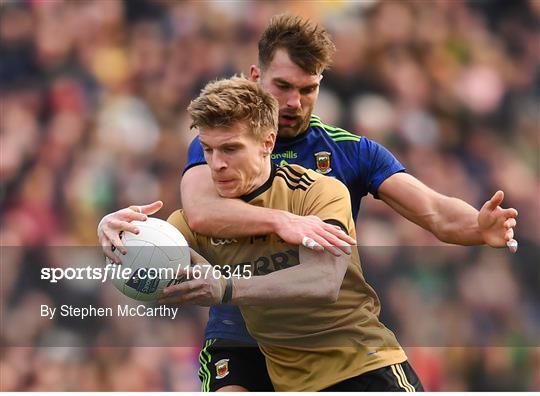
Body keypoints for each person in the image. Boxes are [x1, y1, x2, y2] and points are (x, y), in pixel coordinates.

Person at [98, 15, 518, 392]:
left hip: (330, 333)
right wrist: (115, 233)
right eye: (282, 86)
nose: (294, 102)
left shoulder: (347, 156)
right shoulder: (221, 143)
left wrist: (478, 228)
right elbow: (199, 216)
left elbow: (436, 212)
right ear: (255, 76)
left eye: (308, 89)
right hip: (241, 329)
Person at [166, 75, 423, 391]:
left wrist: (227, 287)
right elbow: (142, 262)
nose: (216, 164)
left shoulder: (318, 192)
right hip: (293, 383)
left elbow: (324, 280)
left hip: (363, 367)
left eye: (231, 149)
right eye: (208, 150)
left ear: (267, 144)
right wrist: (115, 233)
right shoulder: (200, 218)